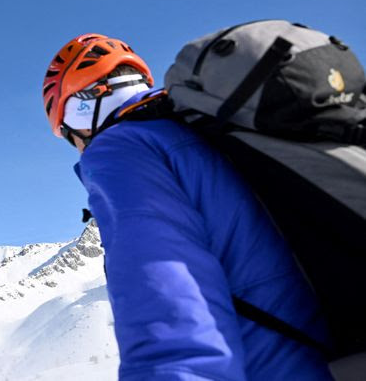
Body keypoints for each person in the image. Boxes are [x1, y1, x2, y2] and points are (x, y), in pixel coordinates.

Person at [43, 33, 333, 380]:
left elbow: (171, 318)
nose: (76, 147)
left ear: (81, 110)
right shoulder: (202, 128)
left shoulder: (121, 150)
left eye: (68, 133)